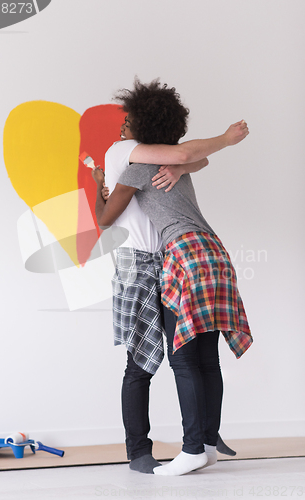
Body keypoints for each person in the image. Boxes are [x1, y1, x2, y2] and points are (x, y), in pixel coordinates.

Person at [93, 78, 252, 475]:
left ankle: (197, 444)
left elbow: (105, 217)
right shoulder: (131, 157)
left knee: (182, 357)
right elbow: (193, 157)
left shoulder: (136, 160)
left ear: (141, 128)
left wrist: (104, 191)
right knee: (160, 360)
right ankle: (164, 447)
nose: (121, 125)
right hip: (179, 255)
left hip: (174, 256)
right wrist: (185, 165)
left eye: (128, 120)